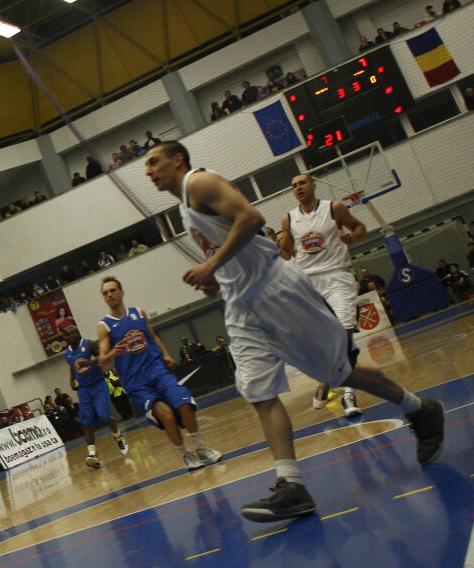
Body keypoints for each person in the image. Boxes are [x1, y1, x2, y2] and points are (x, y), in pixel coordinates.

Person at [143, 140, 444, 522]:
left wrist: (212, 263)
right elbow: (238, 245)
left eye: (155, 162)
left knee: (339, 373)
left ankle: (420, 410)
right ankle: (292, 486)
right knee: (257, 391)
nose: (150, 171)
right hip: (240, 304)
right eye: (147, 167)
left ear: (178, 160)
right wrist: (217, 276)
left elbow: (251, 219)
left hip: (276, 289)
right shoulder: (185, 209)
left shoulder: (200, 183)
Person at [87, 277, 221, 472]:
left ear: (121, 292)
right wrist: (114, 353)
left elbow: (153, 335)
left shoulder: (139, 313)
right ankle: (186, 455)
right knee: (167, 416)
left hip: (158, 372)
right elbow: (104, 361)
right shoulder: (105, 326)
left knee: (184, 404)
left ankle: (201, 448)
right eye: (105, 293)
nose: (110, 295)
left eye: (113, 290)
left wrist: (166, 354)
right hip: (136, 383)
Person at [279, 173, 368, 417]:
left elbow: (360, 227)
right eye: (294, 185)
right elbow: (285, 253)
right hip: (310, 285)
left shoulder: (334, 208)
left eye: (302, 183)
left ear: (313, 185)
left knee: (344, 334)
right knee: (322, 342)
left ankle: (348, 394)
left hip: (338, 277)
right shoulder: (289, 219)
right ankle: (326, 379)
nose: (298, 187)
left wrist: (353, 237)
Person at [64, 337, 127, 469]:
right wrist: (71, 379)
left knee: (104, 415)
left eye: (75, 331)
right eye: (71, 333)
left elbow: (103, 357)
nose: (75, 334)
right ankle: (92, 455)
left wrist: (90, 363)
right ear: (65, 337)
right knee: (86, 422)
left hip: (98, 383)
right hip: (84, 388)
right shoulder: (67, 354)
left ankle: (118, 436)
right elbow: (71, 366)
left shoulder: (89, 344)